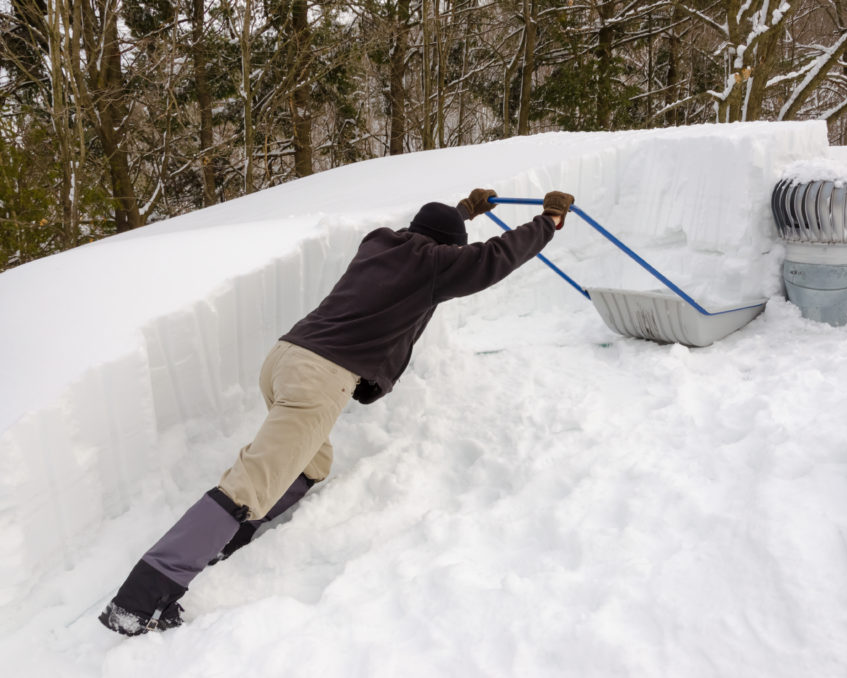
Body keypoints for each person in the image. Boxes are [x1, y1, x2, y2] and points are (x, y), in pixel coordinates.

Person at [98, 188, 575, 636]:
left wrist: (465, 211)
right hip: (321, 379)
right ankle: (137, 602)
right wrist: (548, 222)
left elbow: (431, 233)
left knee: (311, 464)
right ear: (446, 246)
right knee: (248, 485)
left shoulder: (380, 244)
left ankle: (224, 539)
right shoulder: (436, 264)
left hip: (285, 359)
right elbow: (494, 259)